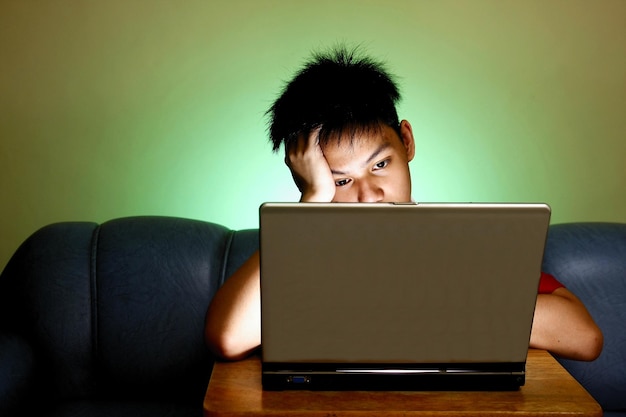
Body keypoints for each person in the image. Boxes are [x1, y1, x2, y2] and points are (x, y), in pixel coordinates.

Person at [205, 45, 603, 362]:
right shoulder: (299, 256)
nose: (369, 195)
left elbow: (585, 337)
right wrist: (308, 207)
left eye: (380, 164)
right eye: (340, 180)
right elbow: (228, 337)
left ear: (407, 142)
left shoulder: (464, 242)